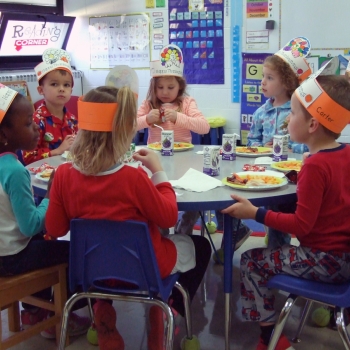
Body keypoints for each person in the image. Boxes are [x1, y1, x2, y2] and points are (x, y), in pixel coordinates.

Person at [45, 82, 211, 350]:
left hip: (92, 272)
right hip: (144, 270)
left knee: (104, 249)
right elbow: (168, 218)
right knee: (200, 246)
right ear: (125, 130)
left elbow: (54, 227)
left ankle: (102, 308)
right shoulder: (133, 177)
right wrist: (159, 173)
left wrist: (55, 192)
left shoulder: (64, 174)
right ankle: (169, 310)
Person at [222, 68, 350, 350]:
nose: (288, 120)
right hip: (344, 256)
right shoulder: (344, 152)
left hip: (325, 262)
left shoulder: (315, 166)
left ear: (313, 125)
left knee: (250, 262)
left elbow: (301, 226)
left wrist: (254, 213)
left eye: (292, 114)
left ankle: (271, 339)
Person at [0, 84, 89, 339]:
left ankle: (31, 310)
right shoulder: (14, 171)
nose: (37, 127)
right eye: (28, 123)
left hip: (4, 251)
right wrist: (51, 195)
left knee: (43, 243)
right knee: (73, 251)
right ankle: (59, 316)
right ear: (4, 134)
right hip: (11, 258)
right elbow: (31, 225)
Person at [247, 37, 313, 248]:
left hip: (292, 177)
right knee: (268, 209)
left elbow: (308, 146)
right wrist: (258, 148)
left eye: (270, 78)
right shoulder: (260, 112)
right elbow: (251, 142)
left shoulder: (299, 113)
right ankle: (274, 246)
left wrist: (287, 149)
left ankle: (279, 250)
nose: (262, 82)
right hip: (265, 175)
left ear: (286, 83)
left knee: (281, 211)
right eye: (263, 77)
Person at [22, 48, 78, 165]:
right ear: (41, 90)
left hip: (67, 171)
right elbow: (28, 157)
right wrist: (57, 151)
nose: (62, 89)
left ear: (71, 90)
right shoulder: (36, 120)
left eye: (66, 85)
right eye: (54, 84)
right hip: (42, 175)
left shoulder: (72, 120)